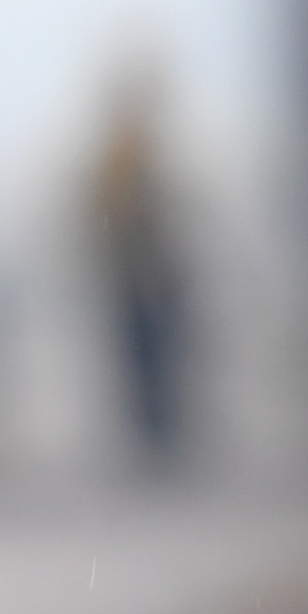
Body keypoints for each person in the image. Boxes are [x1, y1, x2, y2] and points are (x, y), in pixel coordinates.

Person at [81, 51, 194, 465]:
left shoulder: (126, 154)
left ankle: (155, 435)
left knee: (148, 359)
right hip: (139, 281)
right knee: (150, 360)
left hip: (137, 279)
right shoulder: (128, 156)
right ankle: (155, 437)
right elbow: (124, 220)